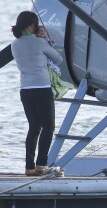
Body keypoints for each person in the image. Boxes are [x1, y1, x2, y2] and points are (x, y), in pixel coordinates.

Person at [11, 11, 63, 176]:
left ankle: (29, 167)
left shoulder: (14, 44)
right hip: (41, 88)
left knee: (34, 127)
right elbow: (57, 58)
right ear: (30, 25)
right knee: (49, 126)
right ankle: (41, 165)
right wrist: (45, 39)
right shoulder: (39, 42)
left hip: (25, 90)